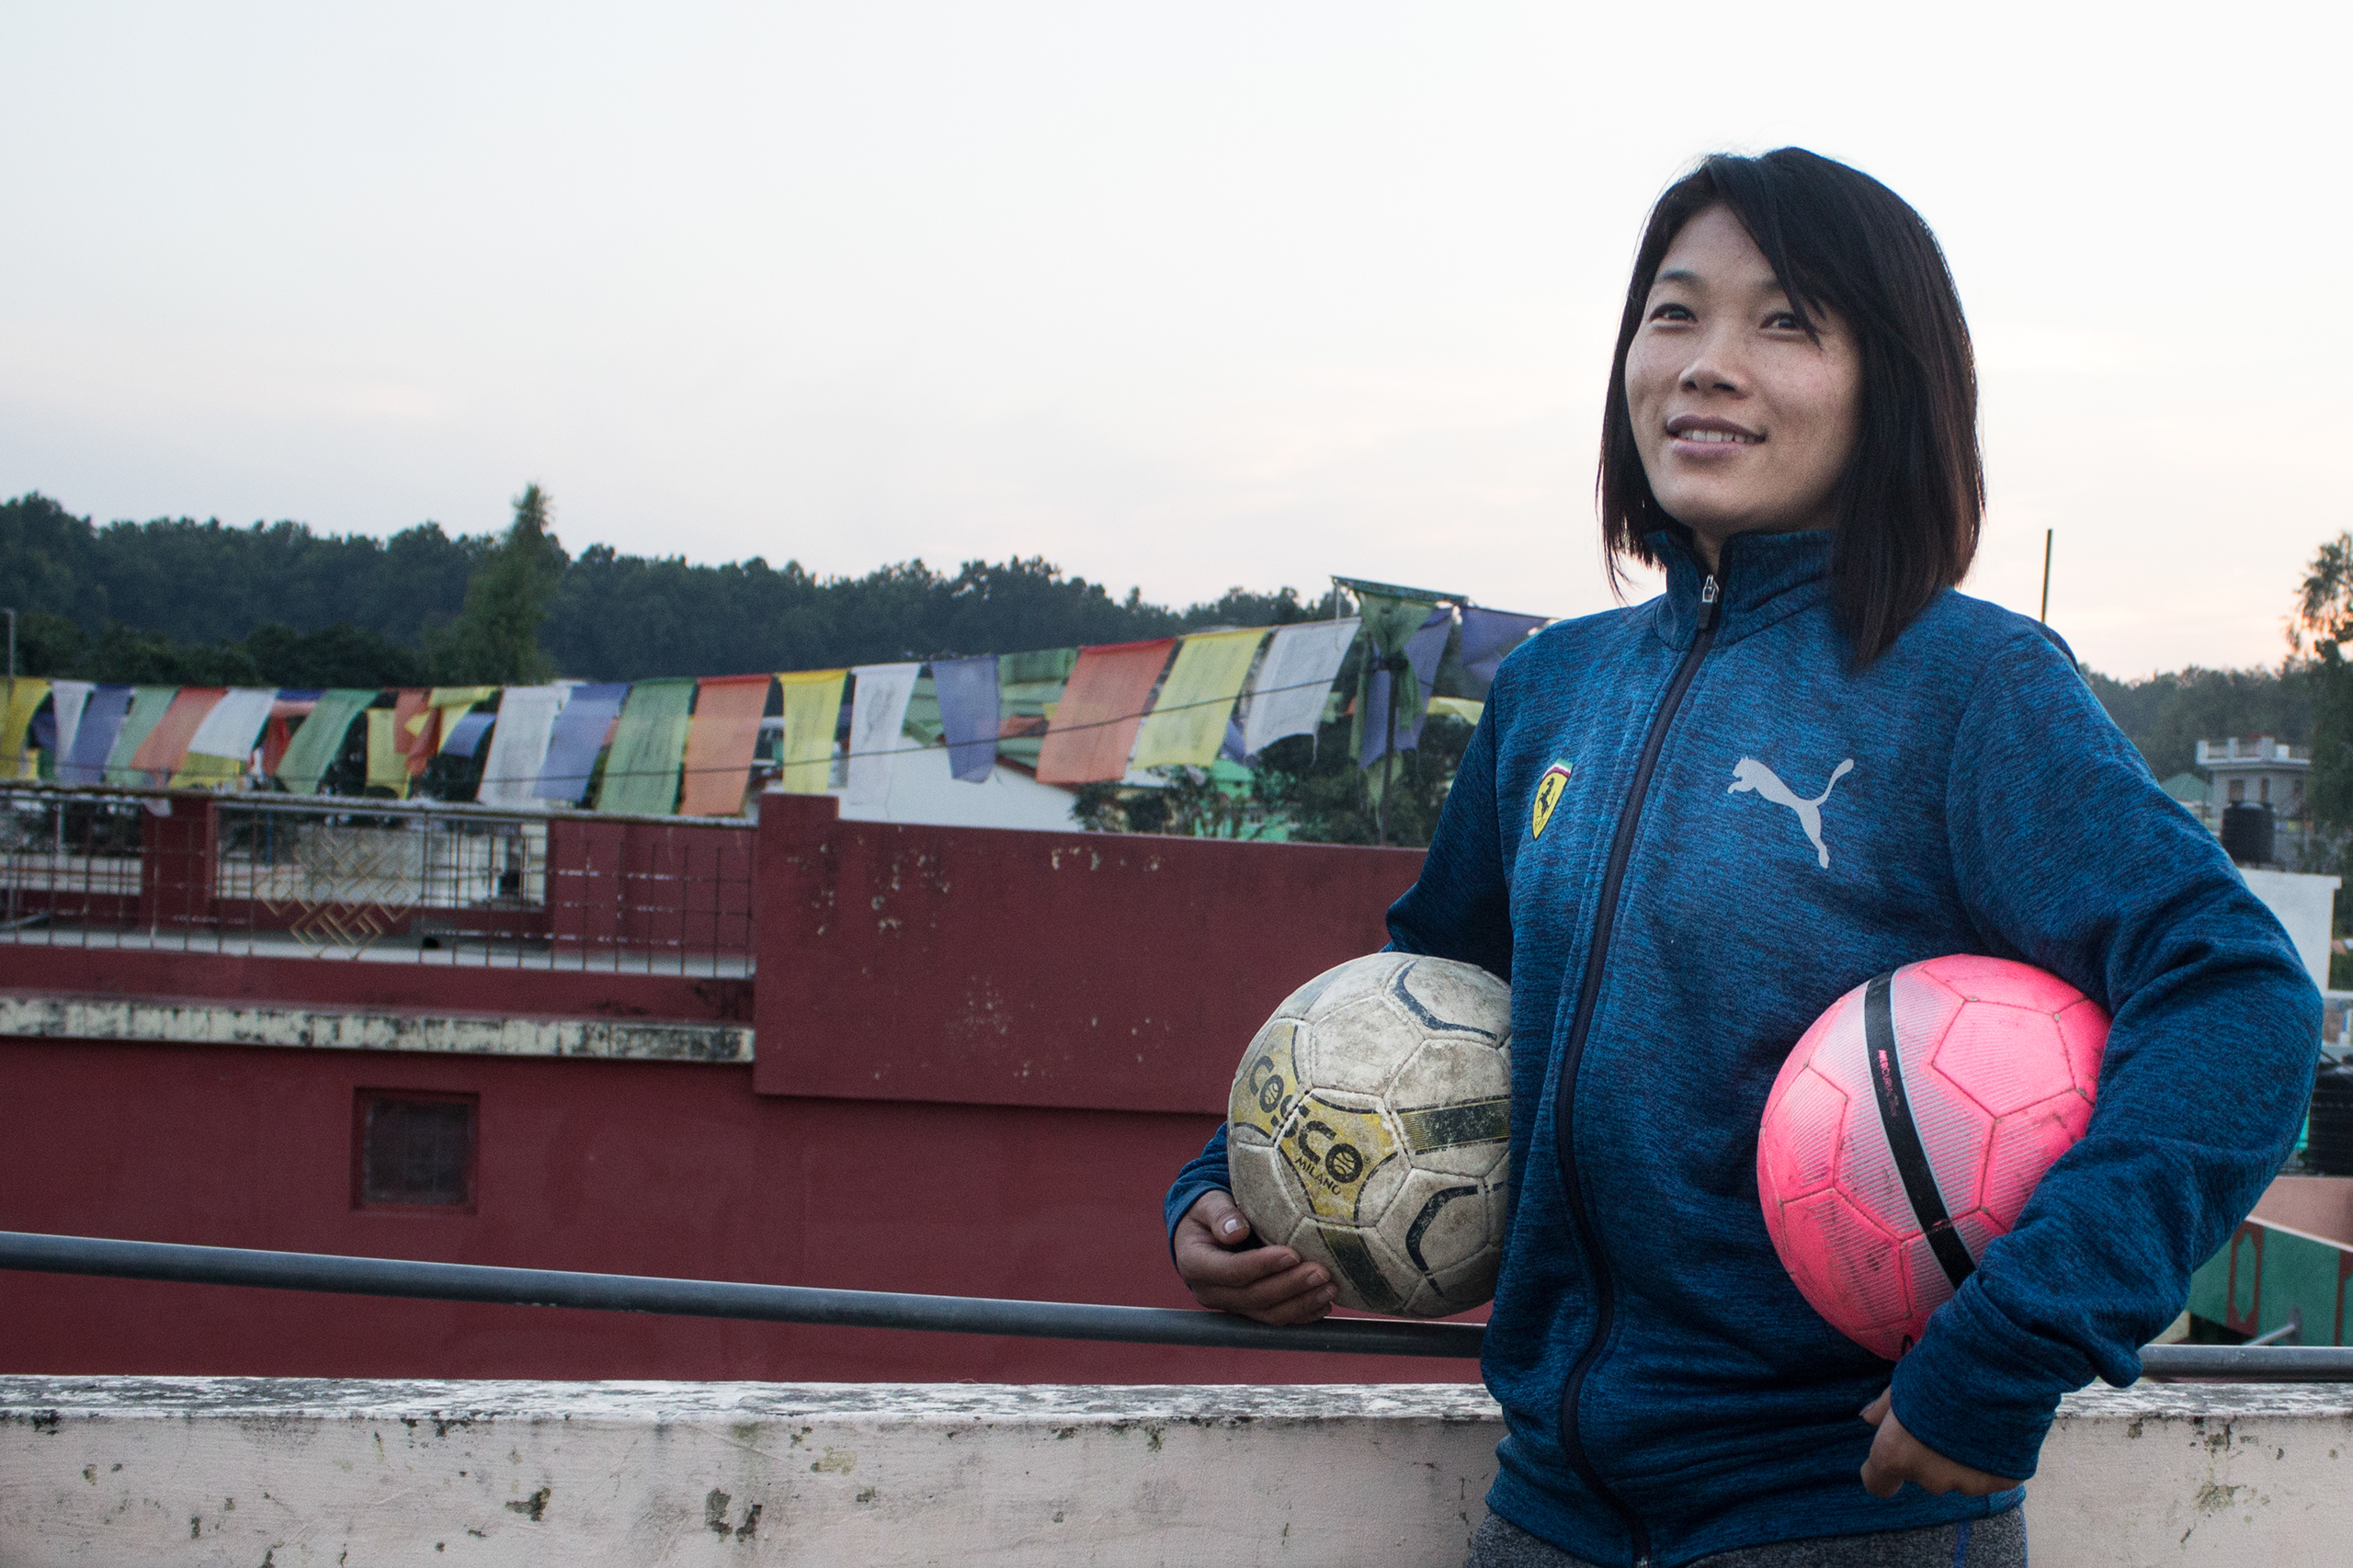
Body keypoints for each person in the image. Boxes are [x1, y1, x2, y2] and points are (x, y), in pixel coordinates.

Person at [1164, 148, 2319, 1568]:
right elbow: (1430, 998)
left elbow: (2237, 997)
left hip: (1845, 1514)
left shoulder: (1970, 686)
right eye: (1675, 312)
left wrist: (2021, 1337)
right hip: (1549, 1511)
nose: (1709, 365)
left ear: (1887, 386)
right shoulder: (1551, 690)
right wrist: (1239, 1177)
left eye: (1785, 322)